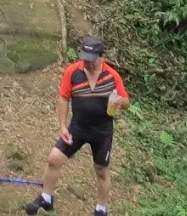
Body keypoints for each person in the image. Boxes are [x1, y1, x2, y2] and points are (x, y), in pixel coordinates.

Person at [26, 36, 129, 216]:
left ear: (101, 57)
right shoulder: (73, 72)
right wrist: (63, 127)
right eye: (84, 58)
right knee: (54, 159)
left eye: (91, 60)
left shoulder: (112, 75)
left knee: (102, 171)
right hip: (78, 127)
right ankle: (46, 198)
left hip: (102, 130)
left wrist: (120, 102)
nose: (86, 63)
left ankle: (101, 209)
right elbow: (63, 97)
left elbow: (126, 102)